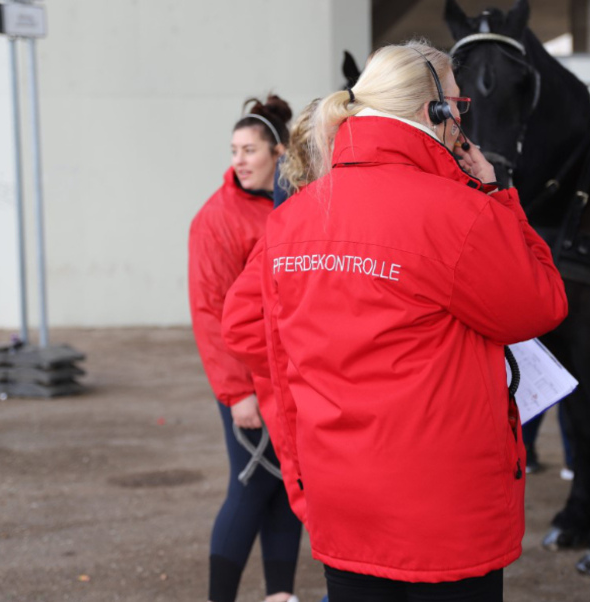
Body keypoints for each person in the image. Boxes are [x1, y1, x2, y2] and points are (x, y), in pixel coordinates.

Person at [222, 40, 568, 602]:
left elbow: (254, 337)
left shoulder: (294, 217)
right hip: (443, 512)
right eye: (458, 103)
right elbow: (541, 304)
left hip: (341, 497)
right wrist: (497, 193)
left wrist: (311, 446)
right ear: (434, 111)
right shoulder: (461, 213)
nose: (461, 117)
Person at [188, 95, 302, 602]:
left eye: (249, 149)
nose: (238, 159)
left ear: (279, 152)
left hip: (292, 377)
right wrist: (237, 392)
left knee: (288, 486)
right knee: (252, 485)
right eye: (234, 149)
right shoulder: (214, 220)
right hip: (248, 384)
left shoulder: (293, 205)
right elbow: (210, 315)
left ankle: (280, 594)